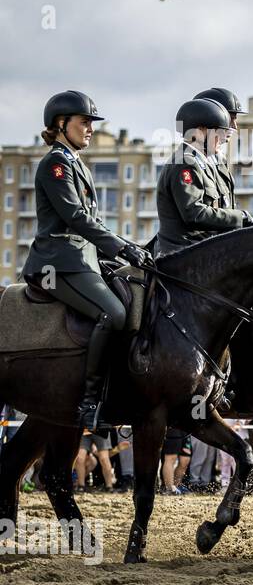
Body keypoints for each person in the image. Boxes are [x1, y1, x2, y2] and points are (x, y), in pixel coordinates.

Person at [25, 91, 153, 428]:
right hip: (58, 261)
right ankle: (90, 402)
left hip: (84, 259)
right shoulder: (55, 163)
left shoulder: (77, 164)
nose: (90, 129)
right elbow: (76, 217)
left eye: (92, 124)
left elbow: (93, 223)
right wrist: (121, 248)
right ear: (61, 124)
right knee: (112, 314)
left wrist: (131, 247)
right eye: (84, 122)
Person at [155, 97, 253, 256]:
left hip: (203, 250)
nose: (222, 138)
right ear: (200, 132)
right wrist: (239, 217)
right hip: (181, 253)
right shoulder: (184, 162)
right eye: (218, 132)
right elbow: (194, 213)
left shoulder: (201, 162)